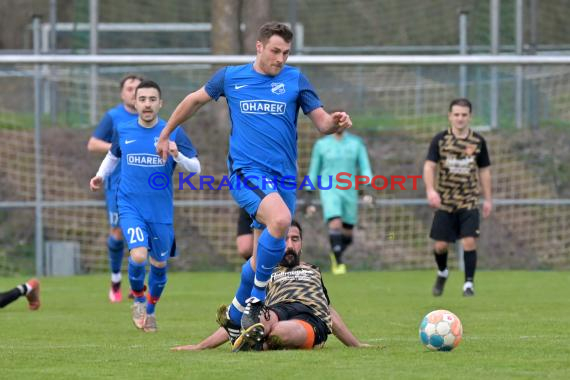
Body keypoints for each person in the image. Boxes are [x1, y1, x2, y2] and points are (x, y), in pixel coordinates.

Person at [156, 21, 352, 336]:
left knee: (263, 254)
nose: (281, 59)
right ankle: (257, 301)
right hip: (247, 172)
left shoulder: (296, 80)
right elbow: (194, 101)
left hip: (285, 179)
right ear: (259, 47)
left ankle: (235, 313)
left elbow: (322, 123)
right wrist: (165, 133)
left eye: (286, 53)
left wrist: (336, 122)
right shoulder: (231, 77)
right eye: (275, 51)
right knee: (281, 219)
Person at [90, 80, 201, 332]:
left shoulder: (173, 131)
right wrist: (100, 176)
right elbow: (113, 155)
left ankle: (150, 310)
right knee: (138, 255)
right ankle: (139, 300)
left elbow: (196, 168)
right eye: (142, 99)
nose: (147, 104)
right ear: (134, 102)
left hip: (160, 211)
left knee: (159, 267)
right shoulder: (124, 129)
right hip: (129, 204)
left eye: (152, 99)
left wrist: (176, 155)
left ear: (160, 103)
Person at [172, 221, 369, 352]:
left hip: (309, 317)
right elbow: (243, 315)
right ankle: (252, 342)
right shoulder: (265, 272)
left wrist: (356, 345)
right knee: (257, 322)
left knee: (281, 332)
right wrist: (200, 346)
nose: (289, 245)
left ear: (301, 242)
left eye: (295, 239)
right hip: (274, 311)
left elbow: (328, 311)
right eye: (283, 239)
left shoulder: (313, 270)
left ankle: (253, 345)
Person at [423, 98, 492, 297]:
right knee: (440, 245)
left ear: (470, 117)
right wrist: (430, 190)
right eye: (456, 114)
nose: (460, 118)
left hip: (469, 200)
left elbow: (485, 170)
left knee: (469, 241)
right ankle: (442, 271)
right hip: (445, 201)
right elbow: (429, 166)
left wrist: (488, 199)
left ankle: (468, 284)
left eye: (464, 115)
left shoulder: (478, 141)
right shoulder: (440, 140)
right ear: (450, 116)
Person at [87, 74, 143, 303]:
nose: (134, 92)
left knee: (142, 235)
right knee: (119, 233)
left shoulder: (149, 118)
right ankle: (116, 278)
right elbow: (92, 144)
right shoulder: (114, 116)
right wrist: (121, 146)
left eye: (138, 88)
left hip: (145, 185)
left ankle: (136, 284)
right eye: (130, 88)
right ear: (122, 93)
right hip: (118, 184)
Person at [305, 128, 373, 275]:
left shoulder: (356, 143)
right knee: (335, 222)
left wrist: (367, 189)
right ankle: (339, 262)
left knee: (348, 232)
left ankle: (336, 250)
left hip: (350, 190)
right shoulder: (321, 145)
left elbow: (364, 166)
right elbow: (314, 169)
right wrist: (309, 196)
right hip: (329, 188)